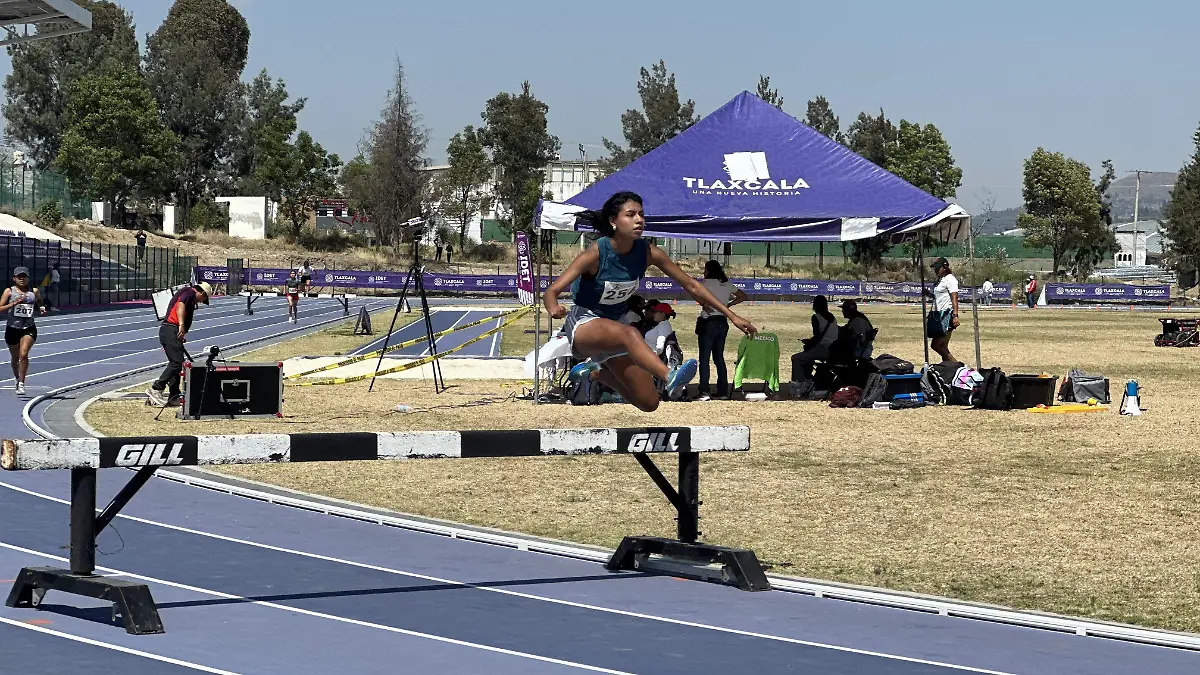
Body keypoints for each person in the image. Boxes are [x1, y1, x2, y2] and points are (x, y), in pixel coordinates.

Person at [545, 191, 756, 412]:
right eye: (631, 214)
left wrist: (732, 315)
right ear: (613, 221)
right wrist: (553, 307)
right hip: (585, 324)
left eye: (642, 215)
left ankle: (595, 373)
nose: (639, 220)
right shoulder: (596, 254)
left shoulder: (648, 252)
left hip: (616, 327)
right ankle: (669, 375)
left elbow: (692, 285)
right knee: (630, 333)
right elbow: (552, 290)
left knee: (648, 402)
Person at [146, 281, 211, 407]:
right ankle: (156, 388)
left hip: (171, 331)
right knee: (177, 362)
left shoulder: (189, 296)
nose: (201, 302)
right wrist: (181, 325)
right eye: (203, 299)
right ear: (201, 292)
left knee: (175, 363)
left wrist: (181, 333)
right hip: (171, 329)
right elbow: (180, 305)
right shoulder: (189, 293)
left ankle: (174, 396)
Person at [695, 260, 746, 401]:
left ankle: (704, 391)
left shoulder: (704, 284)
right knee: (719, 358)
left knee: (704, 359)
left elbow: (691, 290)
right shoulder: (727, 283)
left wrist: (703, 303)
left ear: (708, 270)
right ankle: (723, 391)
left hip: (708, 322)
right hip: (722, 322)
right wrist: (728, 305)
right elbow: (743, 296)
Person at [1, 267, 46, 395]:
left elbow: (39, 301)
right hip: (12, 328)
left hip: (29, 327)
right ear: (14, 278)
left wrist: (41, 308)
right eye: (19, 276)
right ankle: (17, 379)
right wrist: (13, 303)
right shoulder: (9, 291)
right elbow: (0, 308)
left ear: (28, 278)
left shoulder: (34, 291)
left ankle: (22, 383)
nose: (22, 278)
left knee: (23, 354)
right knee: (15, 358)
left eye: (24, 276)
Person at [790, 295, 840, 380]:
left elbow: (817, 338)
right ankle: (808, 378)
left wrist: (808, 342)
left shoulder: (816, 317)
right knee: (807, 355)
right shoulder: (832, 317)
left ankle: (799, 382)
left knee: (796, 358)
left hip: (823, 349)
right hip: (834, 349)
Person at [924, 257, 960, 363]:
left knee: (936, 345)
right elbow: (938, 298)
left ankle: (959, 367)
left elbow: (954, 298)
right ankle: (948, 368)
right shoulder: (941, 280)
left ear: (944, 267)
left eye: (937, 268)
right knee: (943, 346)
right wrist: (928, 294)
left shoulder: (950, 279)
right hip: (939, 315)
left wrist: (955, 315)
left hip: (947, 315)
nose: (935, 270)